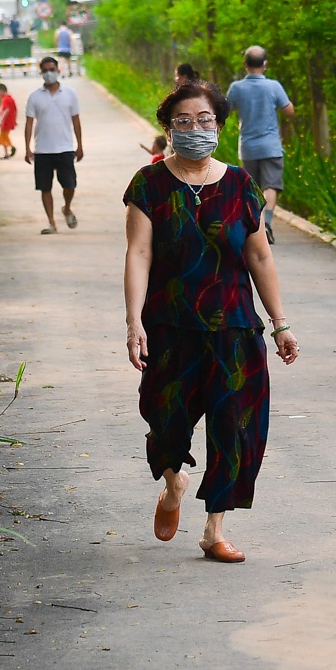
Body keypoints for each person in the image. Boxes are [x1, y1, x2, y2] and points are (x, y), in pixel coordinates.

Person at [123, 81, 299, 563]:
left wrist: (280, 322)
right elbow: (139, 252)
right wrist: (133, 320)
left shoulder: (241, 184)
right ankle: (174, 482)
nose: (195, 129)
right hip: (170, 325)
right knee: (165, 420)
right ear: (168, 129)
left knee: (235, 426)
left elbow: (259, 255)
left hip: (235, 327)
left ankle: (215, 529)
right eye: (183, 122)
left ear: (220, 126)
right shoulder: (149, 183)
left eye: (205, 121)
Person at [224, 46, 294, 243]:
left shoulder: (236, 88)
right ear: (265, 64)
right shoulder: (274, 86)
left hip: (248, 147)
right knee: (271, 185)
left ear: (245, 64)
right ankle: (268, 223)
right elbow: (289, 111)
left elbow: (225, 111)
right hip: (271, 146)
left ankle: (256, 227)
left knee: (252, 188)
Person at [23, 56, 85, 233]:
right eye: (46, 70)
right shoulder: (34, 97)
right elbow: (29, 123)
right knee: (45, 187)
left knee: (70, 184)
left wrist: (79, 145)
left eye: (52, 69)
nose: (49, 73)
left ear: (58, 71)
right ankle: (51, 223)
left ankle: (66, 207)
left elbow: (76, 120)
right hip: (42, 149)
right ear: (41, 73)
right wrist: (27, 148)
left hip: (65, 147)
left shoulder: (69, 94)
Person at [0, 83, 18, 160]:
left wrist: (1, 120)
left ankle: (11, 147)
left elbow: (6, 110)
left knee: (4, 136)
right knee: (4, 136)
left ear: (1, 91)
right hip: (10, 120)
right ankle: (6, 153)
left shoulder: (5, 99)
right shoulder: (10, 98)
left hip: (6, 121)